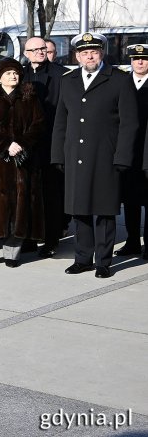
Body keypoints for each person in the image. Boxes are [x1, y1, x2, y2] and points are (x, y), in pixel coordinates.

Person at [51, 32, 138, 278]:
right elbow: (61, 121)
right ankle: (82, 258)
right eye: (84, 52)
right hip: (75, 155)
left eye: (94, 51)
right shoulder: (68, 81)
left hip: (105, 156)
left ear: (101, 53)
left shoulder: (119, 80)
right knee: (80, 210)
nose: (89, 56)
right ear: (77, 56)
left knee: (104, 211)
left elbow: (129, 123)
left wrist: (122, 157)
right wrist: (58, 155)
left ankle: (103, 261)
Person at [0, 58, 45, 267]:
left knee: (18, 207)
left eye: (16, 72)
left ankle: (12, 253)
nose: (13, 76)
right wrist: (5, 144)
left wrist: (20, 143)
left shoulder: (29, 98)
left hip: (20, 161)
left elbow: (38, 125)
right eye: (9, 72)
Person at [21, 36, 66, 258]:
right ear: (26, 53)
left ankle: (51, 239)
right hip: (27, 144)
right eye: (35, 49)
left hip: (51, 142)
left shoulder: (61, 74)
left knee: (51, 194)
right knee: (28, 192)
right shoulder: (20, 74)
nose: (41, 52)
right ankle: (29, 237)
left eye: (43, 48)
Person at [117, 44, 148, 259]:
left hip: (147, 149)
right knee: (130, 199)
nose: (140, 62)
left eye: (144, 59)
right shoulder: (122, 82)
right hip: (128, 150)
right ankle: (132, 241)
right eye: (136, 59)